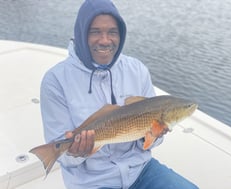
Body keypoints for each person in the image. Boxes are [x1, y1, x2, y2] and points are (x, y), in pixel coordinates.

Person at [40, 0, 199, 189]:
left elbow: (148, 143)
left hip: (141, 170)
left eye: (112, 32)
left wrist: (154, 135)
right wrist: (75, 152)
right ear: (82, 33)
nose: (105, 40)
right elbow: (64, 157)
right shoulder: (55, 80)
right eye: (95, 32)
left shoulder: (137, 70)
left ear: (121, 34)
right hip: (93, 182)